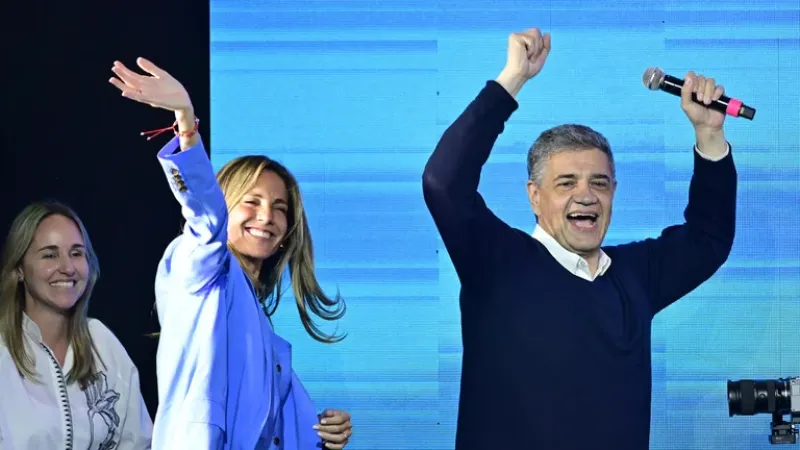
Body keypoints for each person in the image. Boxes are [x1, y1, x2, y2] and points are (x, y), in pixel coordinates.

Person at [422, 28, 736, 449]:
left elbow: (708, 238)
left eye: (600, 183)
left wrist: (710, 134)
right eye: (566, 183)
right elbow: (444, 183)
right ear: (535, 196)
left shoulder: (635, 276)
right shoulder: (497, 262)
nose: (586, 195)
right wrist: (512, 79)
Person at [109, 57, 354, 450]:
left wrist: (326, 431)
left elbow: (275, 431)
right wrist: (185, 123)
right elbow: (206, 218)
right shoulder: (200, 266)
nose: (266, 217)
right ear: (226, 204)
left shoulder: (265, 334)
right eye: (251, 202)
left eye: (279, 207)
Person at [0, 201, 153, 449]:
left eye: (76, 253)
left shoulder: (102, 342)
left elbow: (138, 442)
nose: (67, 268)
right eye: (50, 254)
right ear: (19, 268)